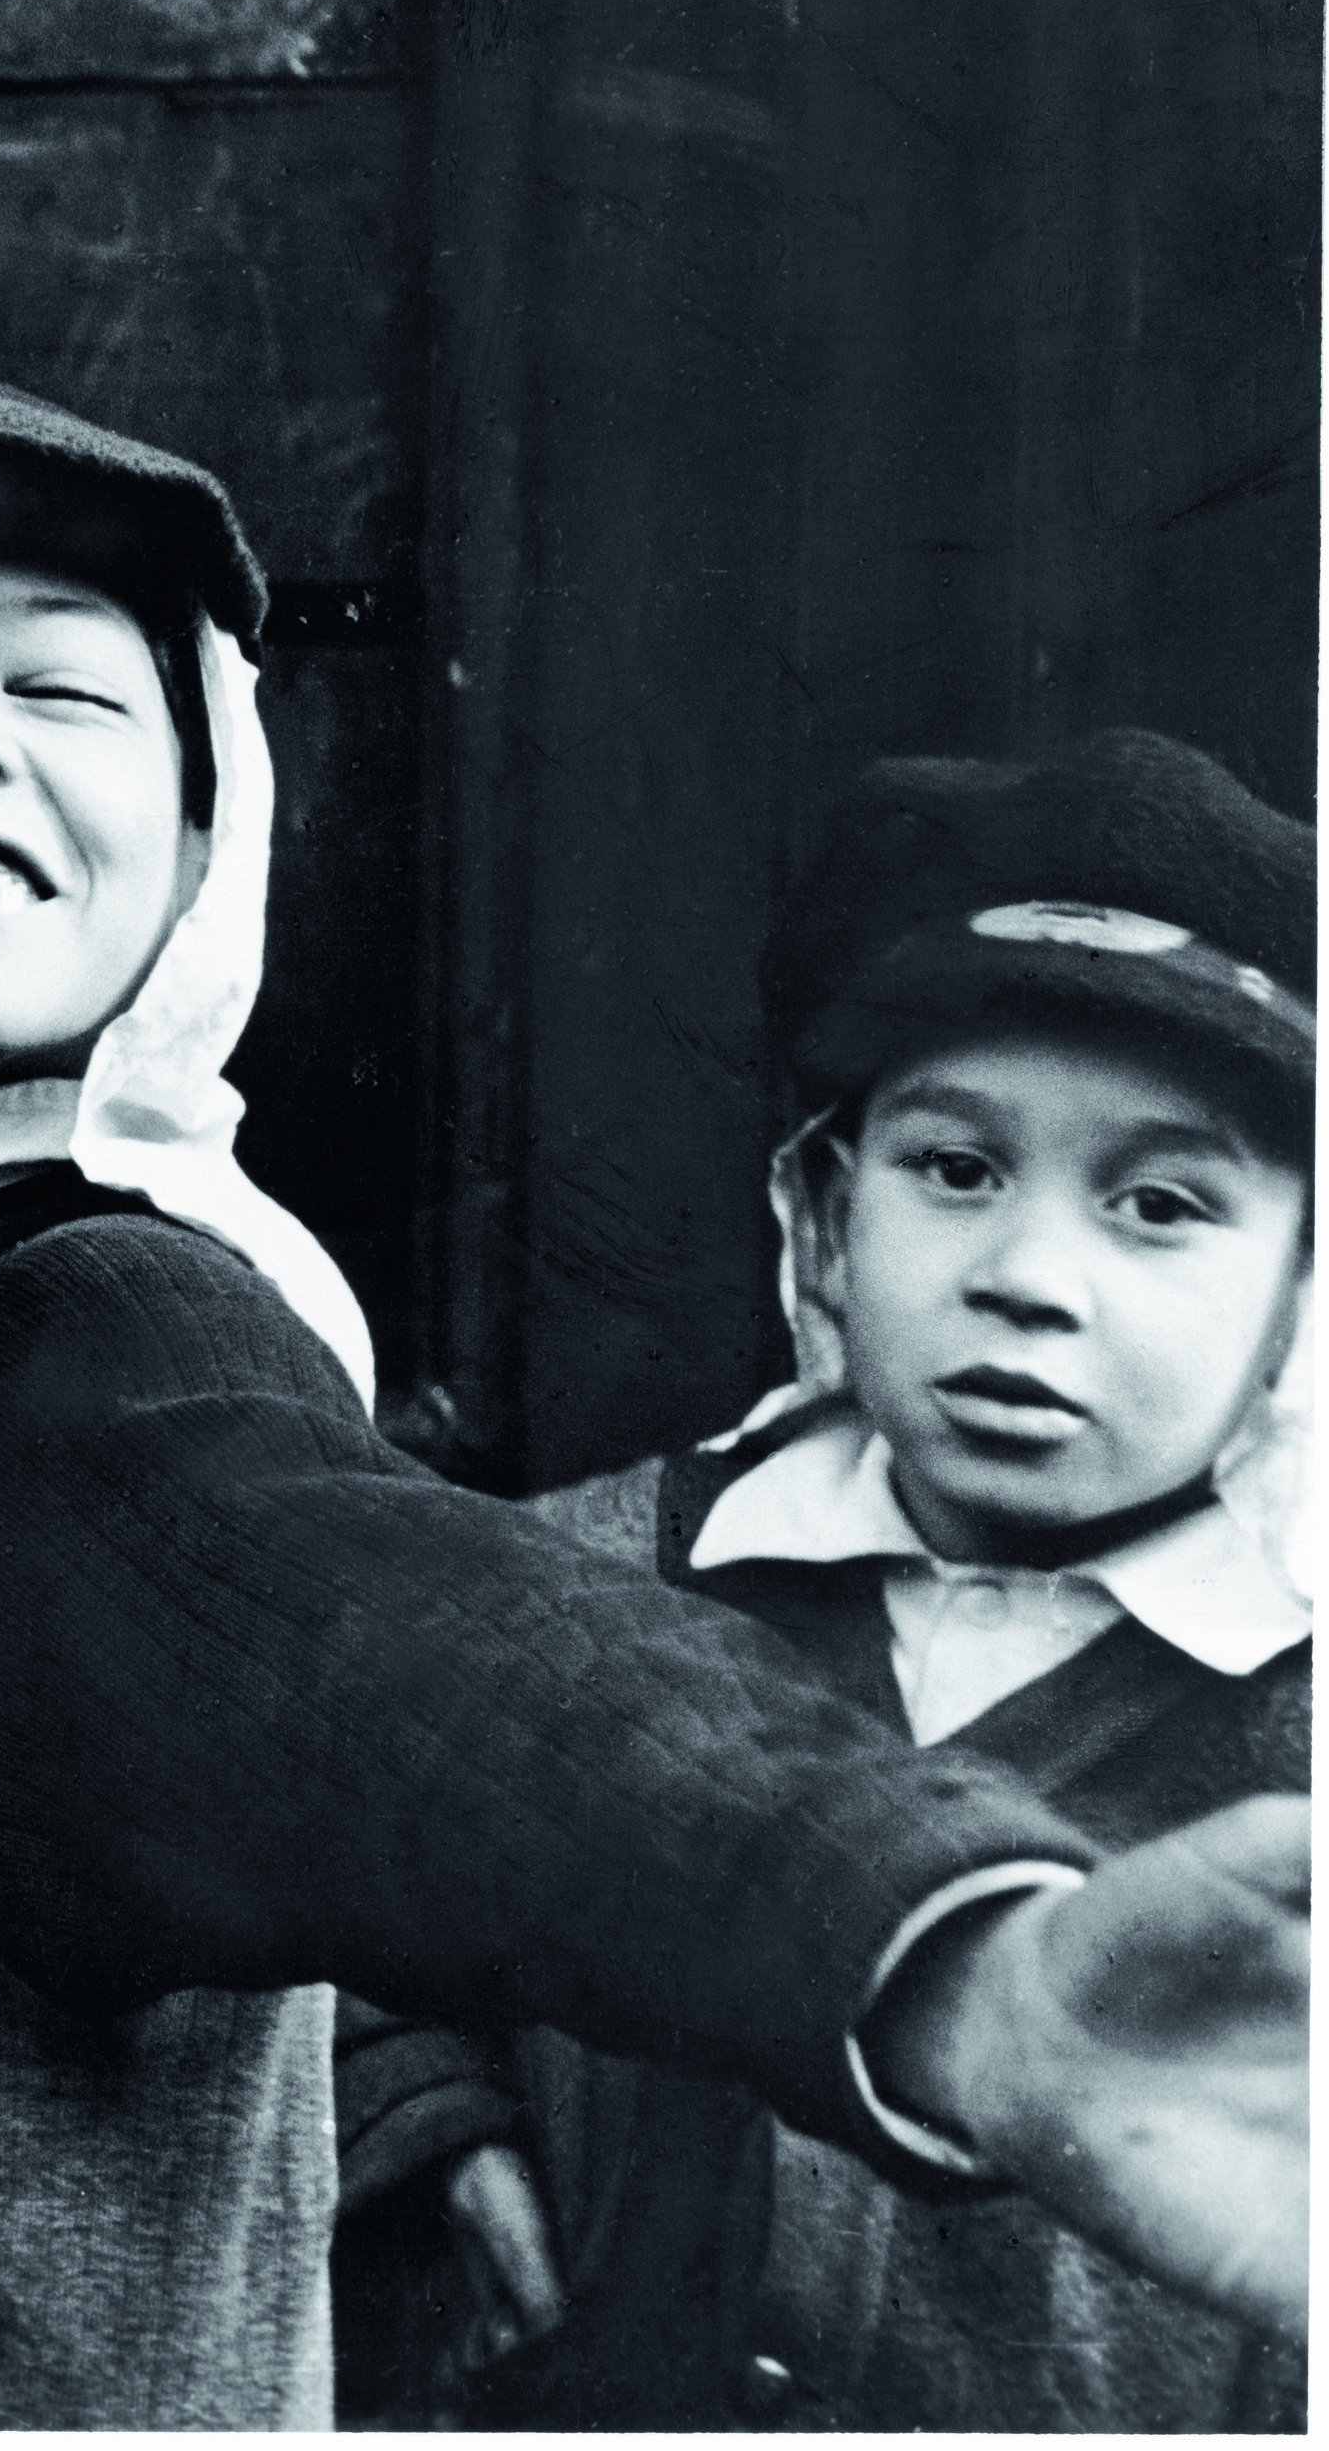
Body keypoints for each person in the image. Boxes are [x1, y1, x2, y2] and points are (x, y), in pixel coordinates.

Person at [0, 370, 1309, 2424]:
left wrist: (948, 1954)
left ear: (197, 865)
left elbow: (441, 1663)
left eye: (63, 692)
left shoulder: (84, 1352)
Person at [333, 726, 1311, 2430]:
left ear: (1304, 1294)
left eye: (1158, 1204)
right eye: (956, 1169)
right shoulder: (582, 1577)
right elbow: (344, 1880)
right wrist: (426, 2124)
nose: (1026, 1276)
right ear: (824, 1215)